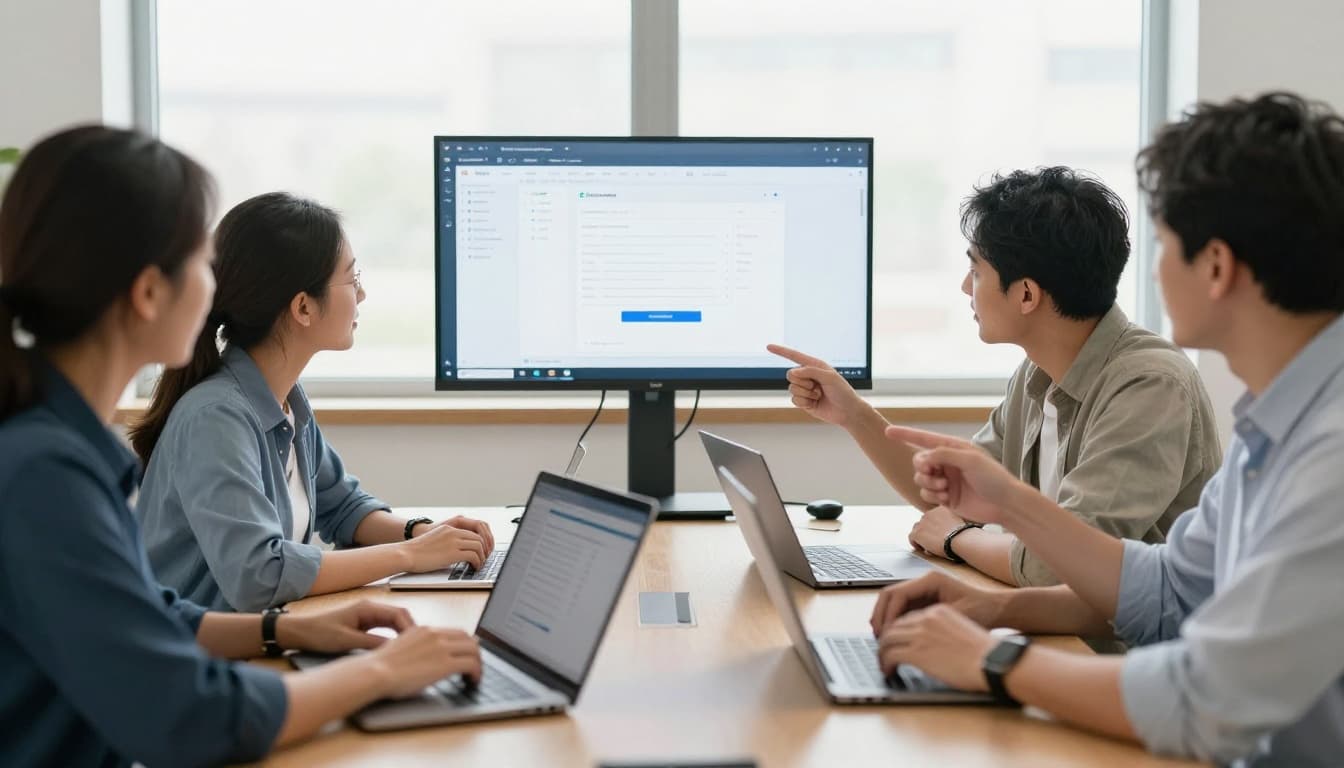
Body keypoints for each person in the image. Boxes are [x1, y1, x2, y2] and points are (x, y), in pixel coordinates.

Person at [870, 91, 1344, 766]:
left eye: (1162, 245)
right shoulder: (1278, 426)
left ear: (1214, 266)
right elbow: (1172, 590)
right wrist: (1004, 534)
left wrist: (992, 661)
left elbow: (1205, 701)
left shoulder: (1331, 450)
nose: (1147, 269)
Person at [0, 125, 481, 766]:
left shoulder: (62, 451)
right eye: (202, 263)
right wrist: (382, 673)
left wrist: (284, 628)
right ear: (147, 293)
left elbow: (146, 616)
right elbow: (190, 714)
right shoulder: (42, 475)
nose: (216, 286)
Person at [771, 166, 1221, 590]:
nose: (967, 288)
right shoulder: (1037, 373)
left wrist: (957, 540)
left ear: (1026, 294)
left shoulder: (1150, 386)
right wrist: (853, 414)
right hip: (1051, 631)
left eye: (976, 270)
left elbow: (1062, 566)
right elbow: (952, 498)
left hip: (1121, 657)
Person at [129, 191, 494, 612]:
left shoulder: (283, 399)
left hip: (260, 640)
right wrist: (410, 556)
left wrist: (423, 533)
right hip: (202, 662)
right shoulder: (217, 418)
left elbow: (344, 508)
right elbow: (259, 575)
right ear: (303, 307)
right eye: (352, 279)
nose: (362, 295)